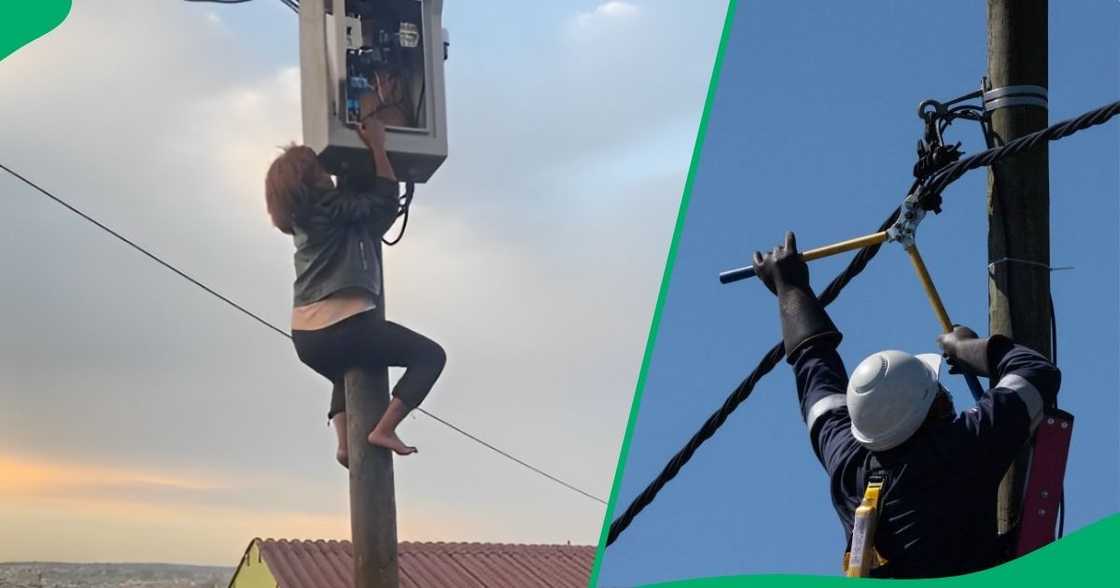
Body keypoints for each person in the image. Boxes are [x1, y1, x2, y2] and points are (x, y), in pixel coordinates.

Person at [751, 231, 1060, 578]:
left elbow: (815, 375)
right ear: (937, 408)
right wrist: (969, 350)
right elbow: (1036, 373)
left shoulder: (850, 462)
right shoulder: (959, 450)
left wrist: (790, 289)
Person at [264, 112, 446, 467]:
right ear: (312, 180)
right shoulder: (331, 207)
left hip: (306, 338)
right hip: (346, 327)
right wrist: (378, 147)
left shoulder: (303, 221)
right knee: (430, 356)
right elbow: (382, 203)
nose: (328, 174)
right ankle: (385, 429)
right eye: (321, 171)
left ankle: (345, 443)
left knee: (344, 368)